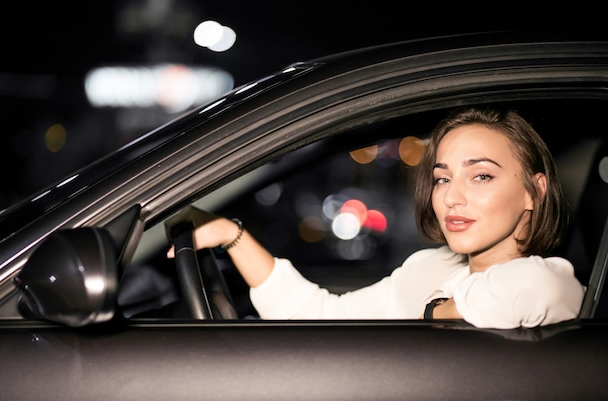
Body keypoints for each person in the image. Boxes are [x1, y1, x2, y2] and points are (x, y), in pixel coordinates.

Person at [167, 106, 585, 329]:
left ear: (535, 191)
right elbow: (319, 317)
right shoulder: (431, 267)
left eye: (481, 176)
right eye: (442, 179)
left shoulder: (548, 282)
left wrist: (426, 312)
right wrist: (233, 236)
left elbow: (536, 289)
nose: (452, 197)